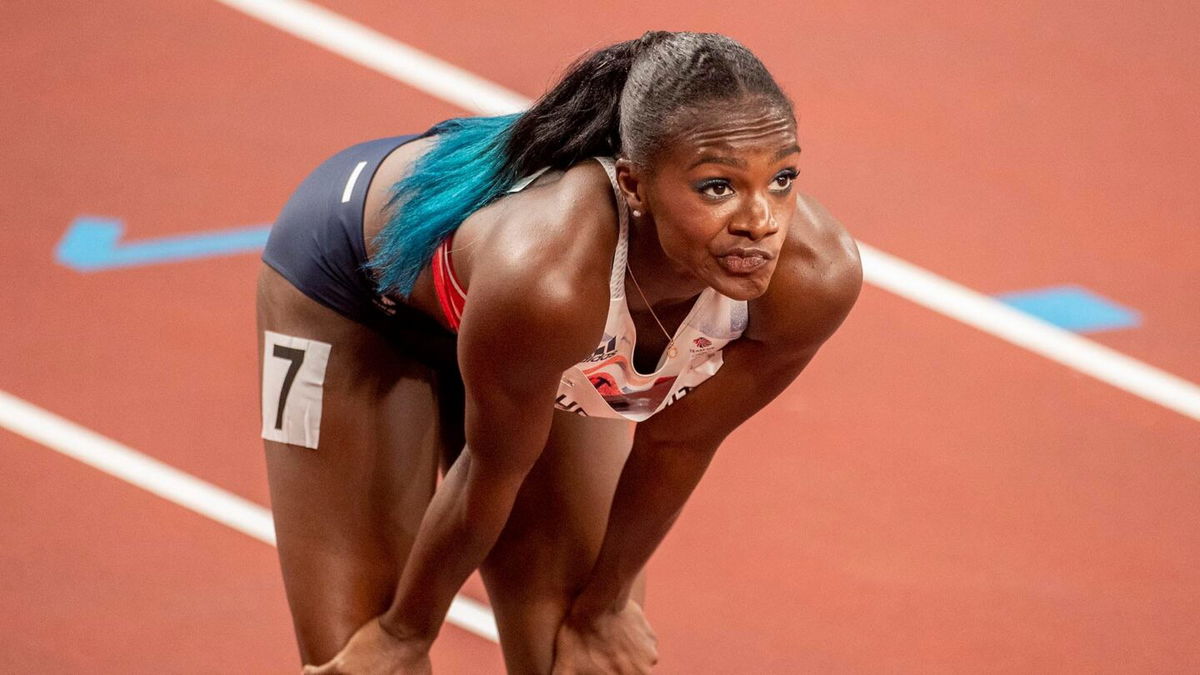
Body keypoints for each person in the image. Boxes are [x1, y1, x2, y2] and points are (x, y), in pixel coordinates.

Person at [256, 30, 861, 674]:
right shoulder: (549, 282)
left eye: (783, 179)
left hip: (542, 345)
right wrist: (406, 633)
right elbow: (491, 472)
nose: (760, 221)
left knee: (580, 658)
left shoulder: (816, 277)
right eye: (717, 187)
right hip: (354, 294)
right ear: (634, 185)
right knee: (361, 665)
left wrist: (604, 605)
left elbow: (677, 446)